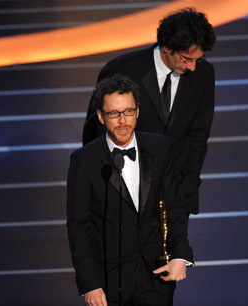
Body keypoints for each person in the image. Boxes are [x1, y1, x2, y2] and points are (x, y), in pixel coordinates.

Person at [67, 74, 193, 306]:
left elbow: (174, 205)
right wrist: (90, 284)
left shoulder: (159, 147)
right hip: (108, 282)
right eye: (114, 113)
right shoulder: (84, 161)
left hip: (156, 277)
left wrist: (180, 255)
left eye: (128, 111)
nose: (122, 121)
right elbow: (79, 227)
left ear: (138, 112)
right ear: (101, 117)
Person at [83, 8, 216, 215]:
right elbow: (96, 133)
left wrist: (188, 188)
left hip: (175, 194)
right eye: (186, 59)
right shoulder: (122, 70)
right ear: (167, 47)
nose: (192, 67)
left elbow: (199, 135)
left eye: (197, 59)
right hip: (124, 192)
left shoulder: (204, 74)